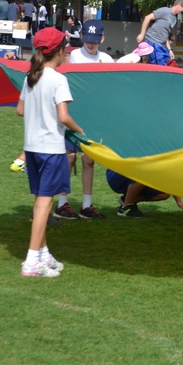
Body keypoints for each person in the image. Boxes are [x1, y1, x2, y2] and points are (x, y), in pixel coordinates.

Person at [16, 28, 85, 277]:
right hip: (50, 149)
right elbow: (64, 117)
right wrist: (79, 130)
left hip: (32, 148)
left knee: (40, 202)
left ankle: (43, 254)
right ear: (59, 50)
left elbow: (20, 110)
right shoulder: (58, 79)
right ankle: (32, 261)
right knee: (45, 204)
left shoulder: (30, 76)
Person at [54, 20, 112, 221]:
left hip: (95, 116)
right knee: (69, 158)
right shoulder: (74, 56)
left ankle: (87, 205)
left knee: (89, 160)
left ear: (102, 39)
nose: (91, 44)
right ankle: (62, 203)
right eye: (88, 39)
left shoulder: (107, 59)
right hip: (73, 113)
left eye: (95, 40)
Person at [106, 169, 183, 217]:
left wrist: (178, 201)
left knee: (164, 194)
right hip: (117, 176)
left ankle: (126, 199)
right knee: (144, 175)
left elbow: (170, 178)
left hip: (136, 176)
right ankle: (125, 207)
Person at [137, 0, 183, 66]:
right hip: (153, 41)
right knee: (159, 66)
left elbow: (165, 34)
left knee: (170, 63)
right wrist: (142, 34)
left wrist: (170, 50)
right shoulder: (165, 11)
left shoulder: (174, 19)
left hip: (161, 45)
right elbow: (147, 18)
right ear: (179, 5)